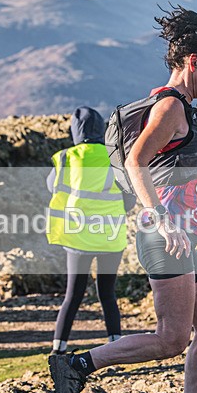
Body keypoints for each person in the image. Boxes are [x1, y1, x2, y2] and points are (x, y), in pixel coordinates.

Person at [48, 6, 197, 393]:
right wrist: (162, 219)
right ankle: (76, 365)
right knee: (171, 339)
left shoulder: (180, 106)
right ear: (193, 61)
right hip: (164, 237)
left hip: (180, 239)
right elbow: (136, 162)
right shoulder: (170, 106)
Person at [46, 107, 134, 355]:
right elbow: (129, 200)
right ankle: (115, 344)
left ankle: (58, 348)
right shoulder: (115, 157)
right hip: (111, 238)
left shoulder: (66, 158)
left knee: (72, 295)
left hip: (78, 237)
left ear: (75, 131)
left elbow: (52, 187)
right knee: (107, 293)